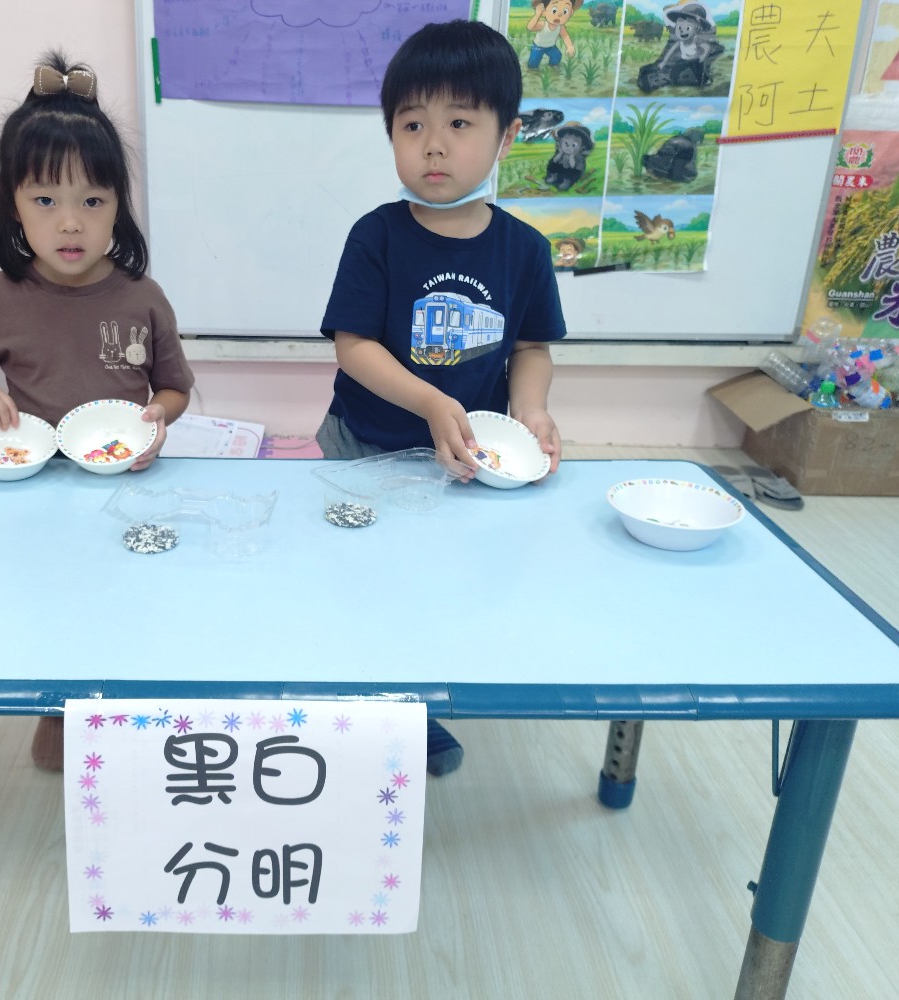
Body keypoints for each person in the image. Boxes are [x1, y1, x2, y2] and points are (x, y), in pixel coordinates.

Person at [316, 20, 567, 777]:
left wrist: (531, 410)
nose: (433, 146)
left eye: (459, 124)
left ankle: (415, 710)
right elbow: (353, 345)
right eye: (412, 125)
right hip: (363, 448)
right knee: (361, 585)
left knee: (438, 587)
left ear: (506, 135)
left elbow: (531, 348)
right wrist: (429, 401)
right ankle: (352, 706)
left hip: (461, 461)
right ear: (390, 134)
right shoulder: (376, 237)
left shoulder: (525, 249)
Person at [0, 53, 195, 772]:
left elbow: (174, 388)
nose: (71, 222)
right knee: (50, 605)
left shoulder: (141, 297)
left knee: (128, 603)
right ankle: (58, 708)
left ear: (119, 206)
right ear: (13, 206)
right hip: (34, 492)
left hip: (125, 485)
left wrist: (158, 417)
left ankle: (131, 706)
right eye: (45, 200)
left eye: (93, 201)